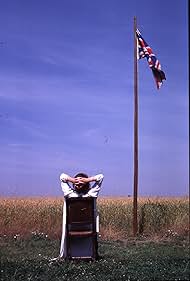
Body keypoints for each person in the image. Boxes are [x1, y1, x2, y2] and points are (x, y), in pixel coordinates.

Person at [59, 172, 104, 259]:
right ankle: (90, 253)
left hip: (72, 227)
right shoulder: (91, 194)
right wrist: (87, 180)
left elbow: (62, 177)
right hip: (88, 227)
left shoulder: (69, 194)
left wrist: (73, 180)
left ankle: (73, 255)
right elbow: (100, 177)